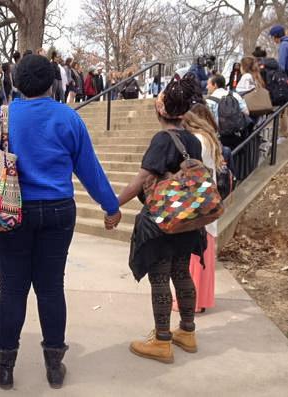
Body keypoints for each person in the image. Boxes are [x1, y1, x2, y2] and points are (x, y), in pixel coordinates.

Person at [0, 54, 122, 389]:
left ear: (16, 83)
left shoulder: (2, 117)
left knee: (12, 290)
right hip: (59, 211)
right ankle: (53, 367)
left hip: (11, 212)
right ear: (52, 83)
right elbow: (89, 168)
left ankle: (5, 367)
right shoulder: (68, 117)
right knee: (51, 288)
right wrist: (110, 206)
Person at [116, 76, 206, 364]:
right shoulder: (193, 140)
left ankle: (162, 340)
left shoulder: (161, 139)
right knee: (182, 272)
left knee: (160, 276)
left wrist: (112, 204)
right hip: (187, 218)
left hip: (162, 221)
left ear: (161, 111)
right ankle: (187, 332)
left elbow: (142, 180)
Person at [181, 104, 224, 313]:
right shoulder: (209, 138)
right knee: (204, 250)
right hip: (209, 199)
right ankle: (201, 298)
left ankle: (191, 300)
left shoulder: (197, 140)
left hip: (199, 201)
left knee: (195, 252)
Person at [206, 75, 249, 148]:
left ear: (215, 85)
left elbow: (209, 121)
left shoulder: (209, 101)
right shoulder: (235, 95)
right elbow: (246, 113)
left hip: (219, 138)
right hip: (236, 135)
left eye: (208, 84)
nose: (206, 87)